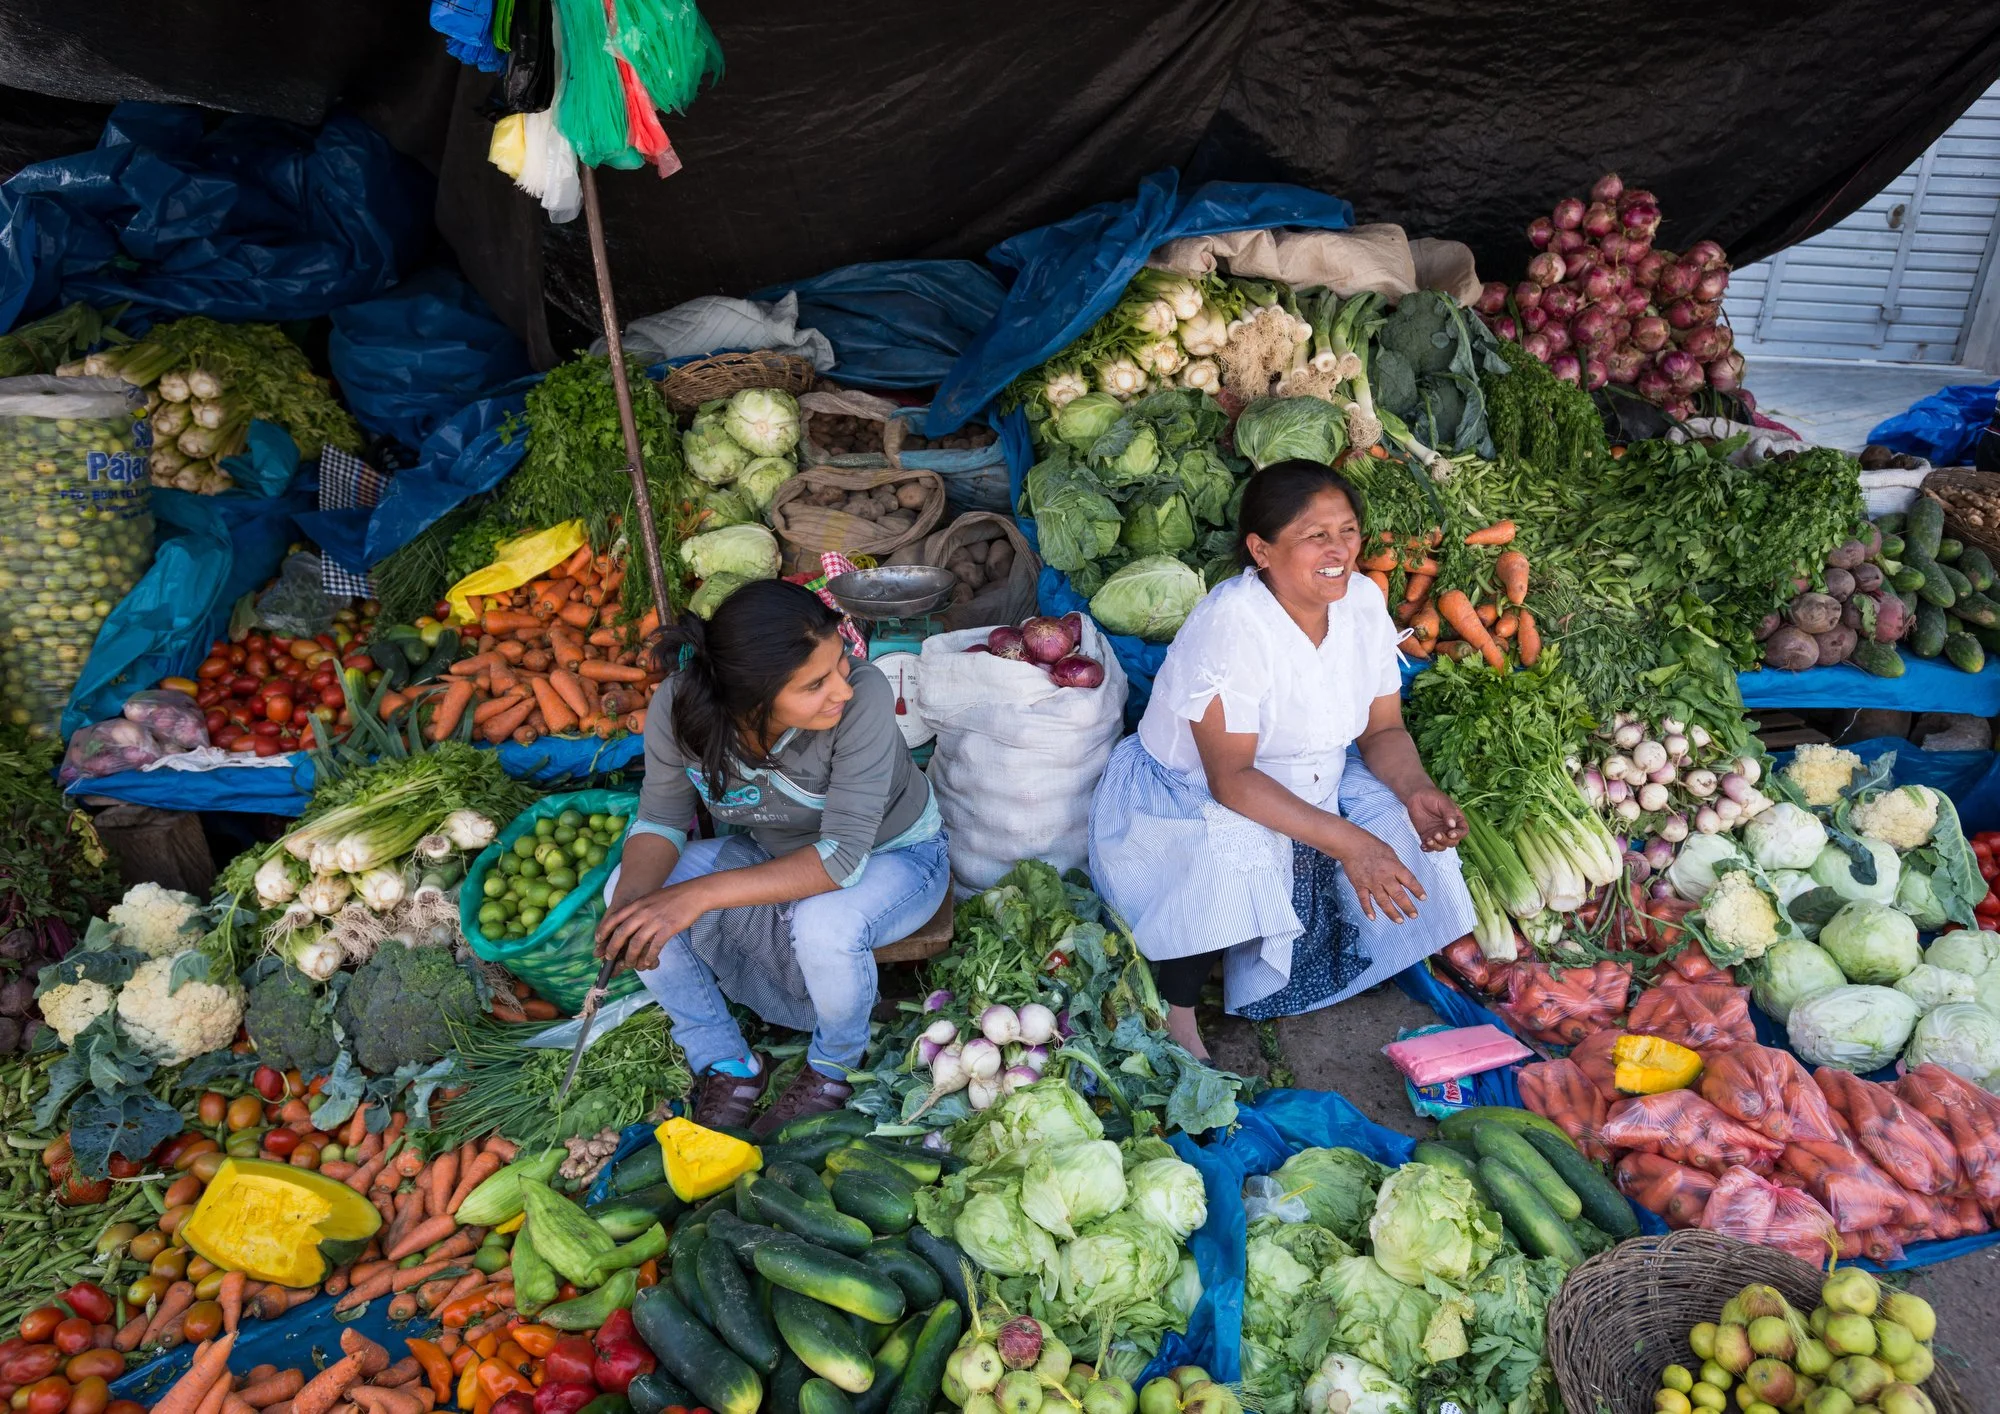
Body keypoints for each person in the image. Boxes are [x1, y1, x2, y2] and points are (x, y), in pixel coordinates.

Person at [1088, 458, 1476, 1058]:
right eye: (1314, 535)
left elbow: (1382, 731)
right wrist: (1352, 844)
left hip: (1315, 771)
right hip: (1195, 789)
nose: (1339, 549)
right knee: (1234, 843)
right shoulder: (1234, 625)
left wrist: (1417, 790)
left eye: (1348, 530)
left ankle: (1328, 947)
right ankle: (1179, 1008)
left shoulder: (1362, 605)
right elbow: (1232, 782)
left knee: (1401, 817)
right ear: (1261, 551)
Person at [595, 579, 949, 1133]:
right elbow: (661, 819)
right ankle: (726, 1061)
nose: (842, 690)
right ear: (750, 697)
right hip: (775, 853)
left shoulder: (866, 697)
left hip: (897, 857)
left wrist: (691, 898)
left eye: (839, 667)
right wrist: (638, 908)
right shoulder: (678, 709)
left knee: (822, 925)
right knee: (626, 895)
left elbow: (838, 862)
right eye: (814, 684)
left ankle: (834, 1064)